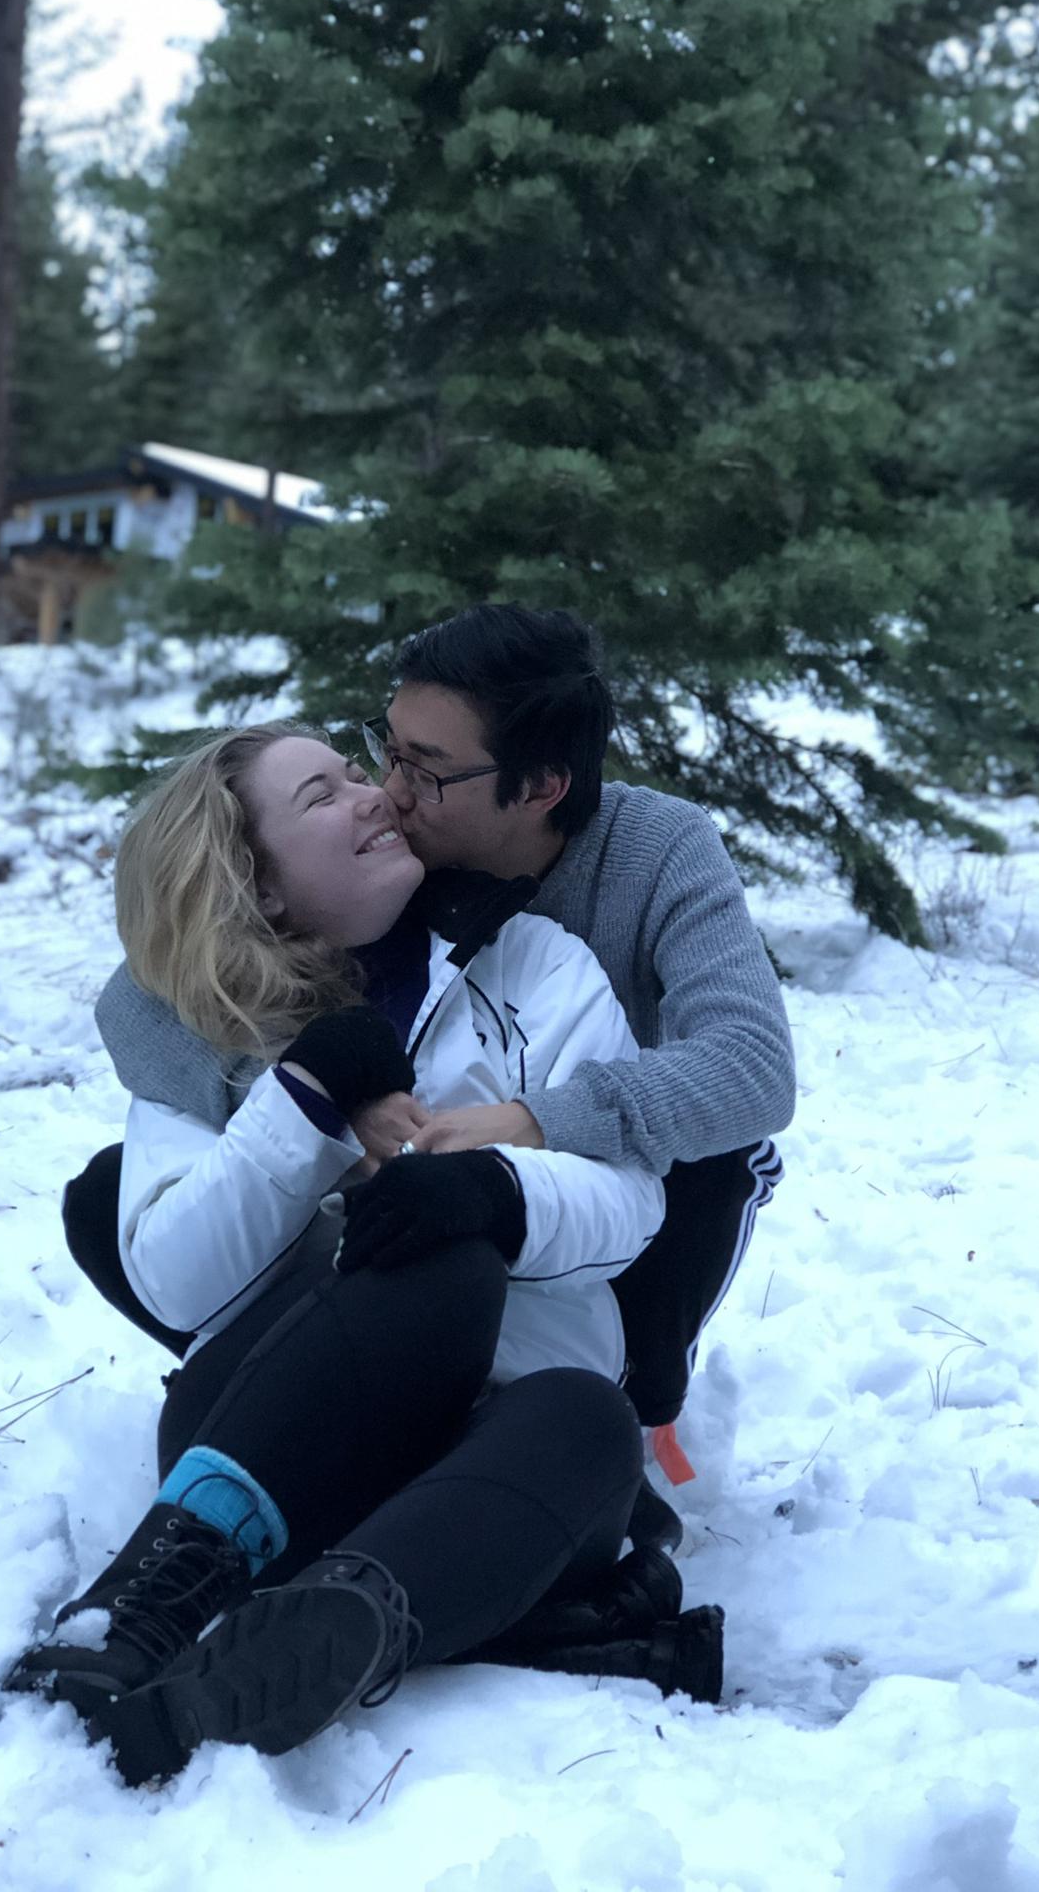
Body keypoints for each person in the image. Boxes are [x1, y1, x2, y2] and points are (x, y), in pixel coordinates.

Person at [10, 724, 720, 1787]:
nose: (373, 794)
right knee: (431, 1259)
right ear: (261, 884)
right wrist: (304, 1099)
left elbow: (630, 1195)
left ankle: (324, 1634)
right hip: (285, 1442)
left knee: (589, 1417)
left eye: (357, 769)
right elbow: (173, 1278)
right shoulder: (204, 1030)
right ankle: (134, 1611)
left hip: (503, 1457)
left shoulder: (538, 965)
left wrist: (497, 1186)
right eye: (321, 794)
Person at [86, 607, 796, 1492]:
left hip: (601, 1180)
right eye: (388, 747)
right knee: (110, 1196)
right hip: (414, 1189)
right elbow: (143, 1001)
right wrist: (321, 1097)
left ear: (540, 787)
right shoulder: (390, 855)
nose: (390, 790)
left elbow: (753, 1068)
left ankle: (631, 1411)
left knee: (713, 1162)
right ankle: (284, 1388)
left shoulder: (656, 852)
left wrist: (529, 1123)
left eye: (427, 771)